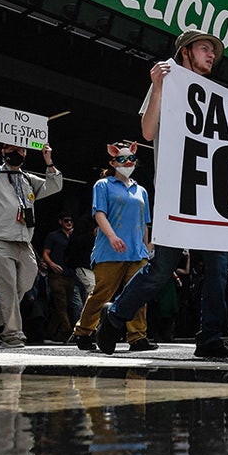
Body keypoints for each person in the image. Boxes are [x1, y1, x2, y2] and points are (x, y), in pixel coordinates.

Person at [96, 30, 228, 359]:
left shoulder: (216, 94)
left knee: (218, 266)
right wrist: (159, 86)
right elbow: (148, 132)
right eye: (205, 48)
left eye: (213, 52)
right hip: (177, 192)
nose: (211, 55)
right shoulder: (168, 82)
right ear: (186, 52)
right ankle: (115, 315)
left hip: (210, 195)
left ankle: (210, 338)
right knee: (162, 269)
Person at [0, 142, 62, 349]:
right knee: (8, 285)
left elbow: (54, 185)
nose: (17, 153)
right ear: (3, 151)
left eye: (21, 150)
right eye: (12, 149)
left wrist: (48, 160)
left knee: (24, 284)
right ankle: (13, 334)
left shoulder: (27, 179)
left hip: (24, 240)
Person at [71, 142, 158, 352]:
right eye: (122, 159)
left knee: (138, 294)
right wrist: (111, 236)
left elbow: (144, 222)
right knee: (102, 293)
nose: (128, 163)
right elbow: (99, 213)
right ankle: (83, 331)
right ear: (112, 162)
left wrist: (147, 246)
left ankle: (137, 336)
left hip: (137, 251)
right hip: (110, 250)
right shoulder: (103, 185)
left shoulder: (141, 190)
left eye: (131, 159)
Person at [41, 213, 76, 342]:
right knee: (61, 304)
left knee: (64, 305)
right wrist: (51, 264)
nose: (69, 223)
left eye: (71, 221)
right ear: (60, 221)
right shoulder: (53, 236)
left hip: (70, 274)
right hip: (56, 275)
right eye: (66, 220)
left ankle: (51, 333)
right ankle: (68, 332)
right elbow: (45, 253)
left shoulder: (73, 237)